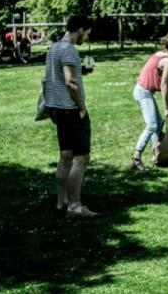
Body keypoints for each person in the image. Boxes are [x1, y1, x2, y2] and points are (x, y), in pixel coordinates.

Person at [42, 14, 97, 217]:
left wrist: (81, 70)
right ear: (80, 29)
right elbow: (70, 83)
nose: (86, 37)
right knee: (81, 157)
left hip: (56, 108)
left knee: (65, 155)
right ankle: (75, 206)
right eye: (87, 33)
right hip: (71, 110)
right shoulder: (69, 50)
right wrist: (82, 107)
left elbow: (57, 75)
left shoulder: (54, 48)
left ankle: (61, 202)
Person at [129, 31, 168, 172]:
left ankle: (158, 154)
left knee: (158, 123)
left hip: (143, 90)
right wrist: (167, 108)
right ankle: (136, 158)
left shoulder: (160, 54)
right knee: (152, 124)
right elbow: (164, 85)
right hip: (143, 92)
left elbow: (159, 78)